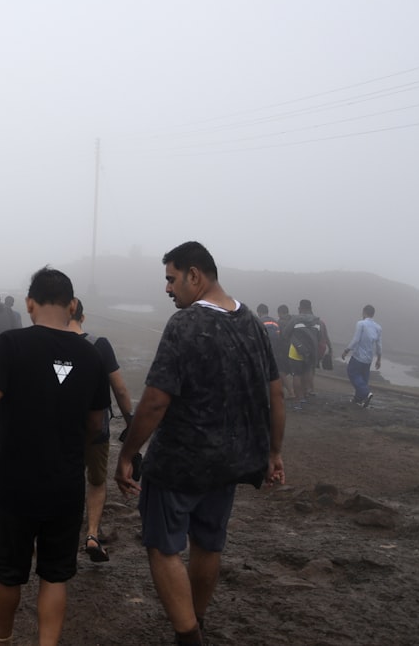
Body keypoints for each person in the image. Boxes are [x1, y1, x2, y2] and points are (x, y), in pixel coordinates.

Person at [114, 241, 285, 646]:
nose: (168, 289)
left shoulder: (186, 324)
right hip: (229, 463)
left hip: (179, 463)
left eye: (172, 279)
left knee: (162, 545)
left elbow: (155, 400)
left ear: (195, 275)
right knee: (208, 543)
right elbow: (275, 395)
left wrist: (128, 453)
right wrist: (274, 453)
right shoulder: (253, 325)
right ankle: (198, 620)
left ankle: (189, 635)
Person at [0, 267, 109, 646]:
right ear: (72, 305)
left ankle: (2, 642)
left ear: (29, 303)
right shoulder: (91, 355)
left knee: (8, 573)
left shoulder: (11, 344)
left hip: (14, 485)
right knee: (55, 576)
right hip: (65, 487)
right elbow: (95, 424)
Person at [65, 298, 133, 563]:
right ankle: (92, 535)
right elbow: (120, 389)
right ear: (83, 317)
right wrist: (130, 422)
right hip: (96, 429)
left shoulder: (50, 343)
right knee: (95, 480)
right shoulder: (99, 345)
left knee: (64, 479)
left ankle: (61, 535)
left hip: (61, 429)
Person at [284, 299, 331, 408]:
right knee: (307, 373)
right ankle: (305, 396)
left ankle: (298, 400)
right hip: (311, 352)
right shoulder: (317, 321)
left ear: (300, 308)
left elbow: (286, 333)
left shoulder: (295, 319)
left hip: (296, 351)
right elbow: (320, 337)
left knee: (296, 375)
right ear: (310, 308)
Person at [341, 305, 382, 407]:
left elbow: (356, 339)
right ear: (373, 314)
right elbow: (379, 345)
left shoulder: (361, 324)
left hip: (358, 356)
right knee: (363, 379)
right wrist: (379, 359)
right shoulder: (378, 327)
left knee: (352, 373)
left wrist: (346, 350)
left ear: (364, 312)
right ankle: (358, 400)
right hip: (369, 358)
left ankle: (366, 393)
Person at [275, 304, 294, 397]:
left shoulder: (280, 322)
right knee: (290, 371)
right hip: (294, 349)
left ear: (280, 313)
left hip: (283, 349)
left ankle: (291, 392)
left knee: (281, 370)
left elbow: (278, 336)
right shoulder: (293, 321)